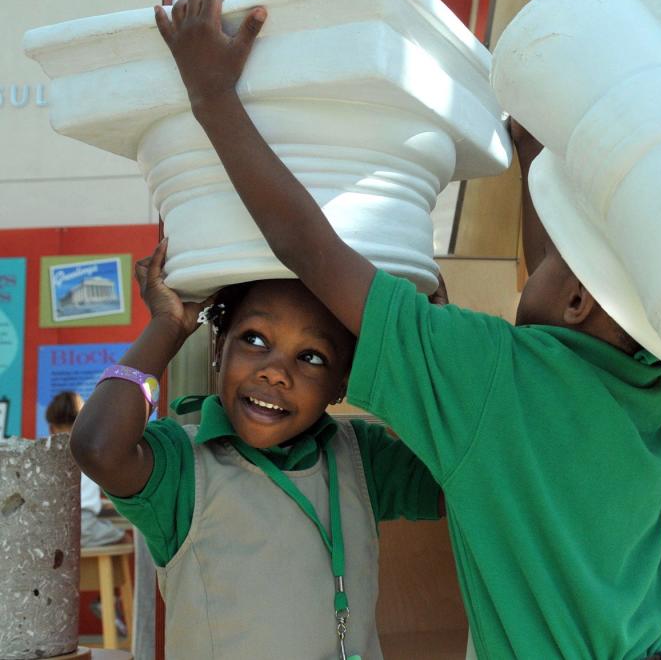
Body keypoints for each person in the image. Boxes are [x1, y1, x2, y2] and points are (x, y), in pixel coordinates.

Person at [152, 0, 661, 660]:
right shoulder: (657, 385)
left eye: (551, 259)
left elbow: (307, 246)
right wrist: (530, 157)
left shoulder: (493, 373)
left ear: (578, 299)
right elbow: (562, 292)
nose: (536, 262)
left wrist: (213, 97)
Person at [70, 241, 443, 660]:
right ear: (218, 349)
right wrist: (168, 326)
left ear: (342, 384)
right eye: (255, 339)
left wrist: (426, 348)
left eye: (312, 357)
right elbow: (97, 447)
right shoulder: (182, 465)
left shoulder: (362, 457)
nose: (276, 372)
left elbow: (458, 477)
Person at [45, 391, 126, 548]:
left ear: (51, 428)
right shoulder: (91, 448)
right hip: (84, 527)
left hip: (52, 528)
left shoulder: (47, 452)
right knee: (124, 538)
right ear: (84, 422)